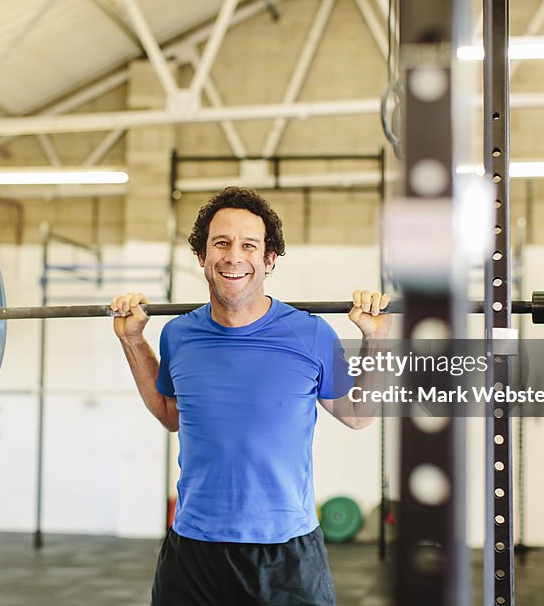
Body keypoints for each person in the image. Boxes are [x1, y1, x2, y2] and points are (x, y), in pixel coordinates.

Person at [110, 187, 390, 606]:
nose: (233, 256)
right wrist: (132, 341)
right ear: (202, 256)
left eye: (249, 245)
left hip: (286, 555)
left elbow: (357, 415)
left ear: (269, 259)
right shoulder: (179, 335)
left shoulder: (310, 334)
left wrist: (376, 341)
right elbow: (172, 414)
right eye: (220, 243)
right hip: (193, 550)